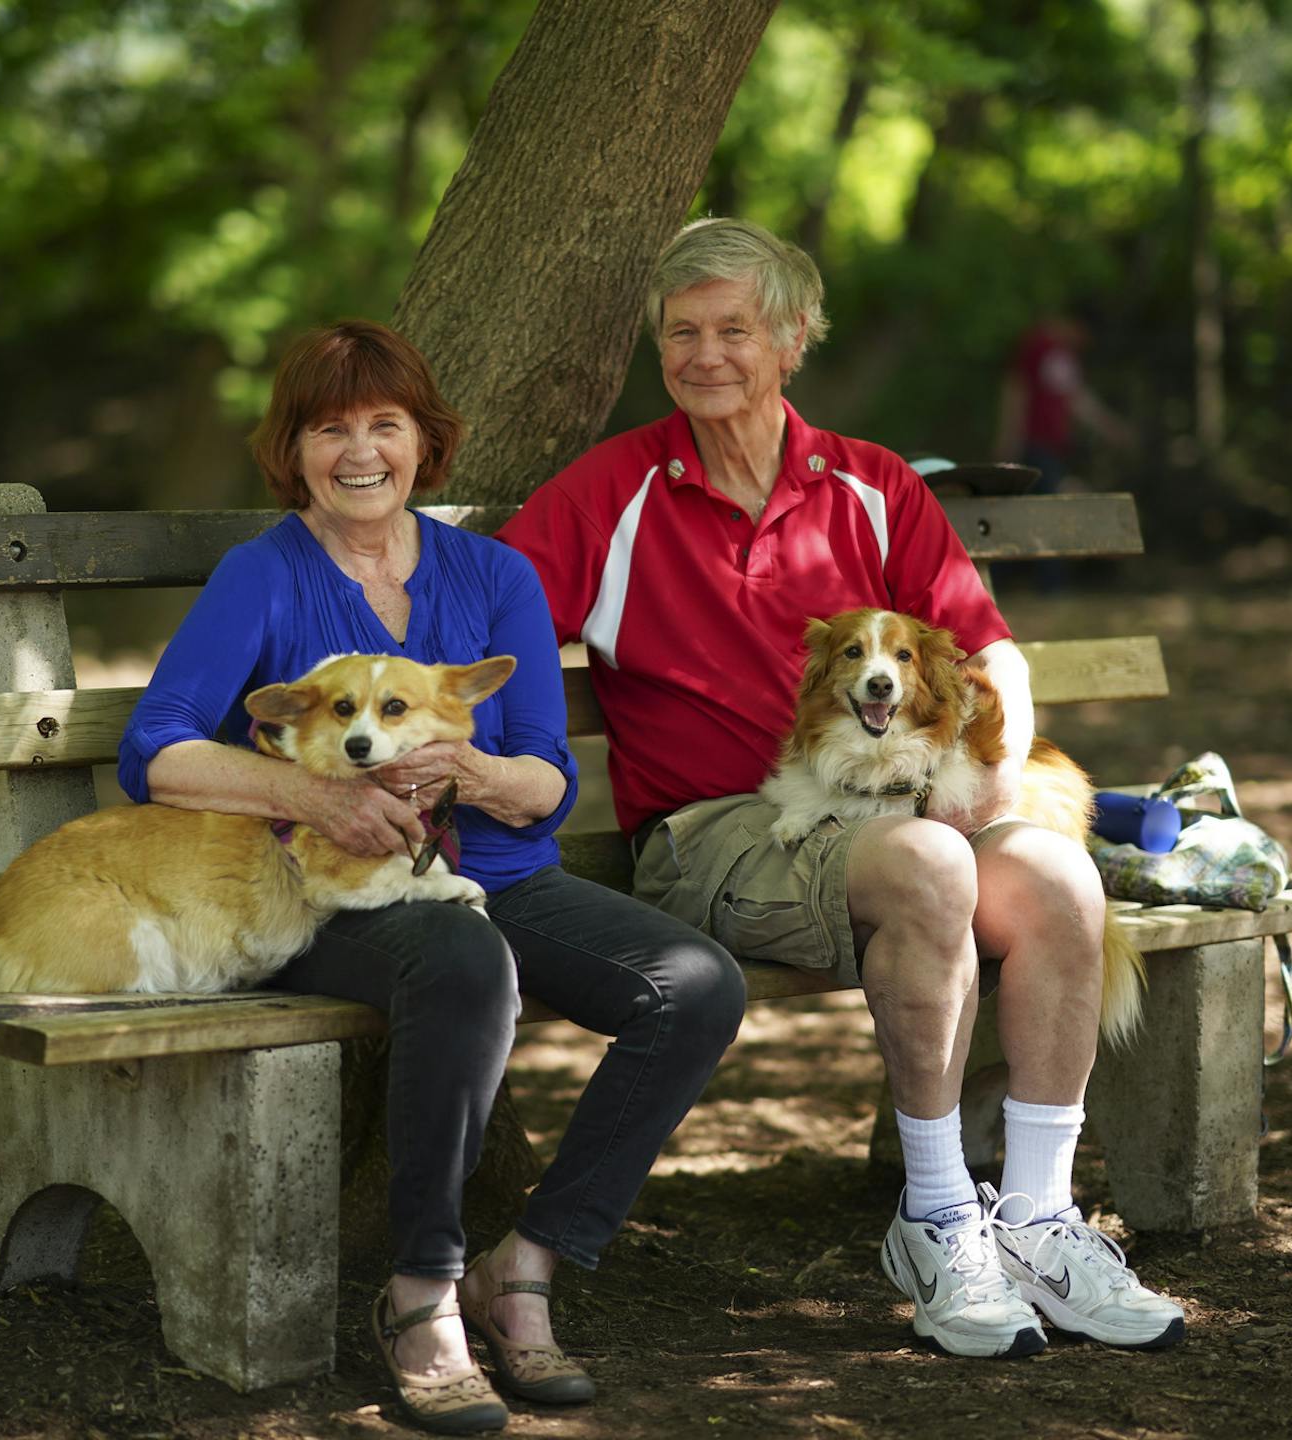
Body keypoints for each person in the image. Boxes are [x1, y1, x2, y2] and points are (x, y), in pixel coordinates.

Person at [499, 219, 1185, 1359]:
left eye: (735, 329)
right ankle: (934, 1217)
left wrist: (997, 772)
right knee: (930, 868)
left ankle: (1040, 1222)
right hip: (720, 833)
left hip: (902, 816)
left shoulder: (870, 486)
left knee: (1060, 876)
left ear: (794, 338)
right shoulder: (614, 494)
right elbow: (492, 625)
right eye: (681, 333)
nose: (705, 354)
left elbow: (988, 650)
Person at [118, 320, 746, 1432]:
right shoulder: (262, 576)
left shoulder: (494, 575)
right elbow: (155, 748)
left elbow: (550, 780)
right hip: (323, 891)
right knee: (463, 960)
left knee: (694, 982)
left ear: (424, 442)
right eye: (329, 430)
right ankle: (421, 1293)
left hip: (497, 871)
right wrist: (319, 797)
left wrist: (478, 772)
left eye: (384, 425)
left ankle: (531, 1264)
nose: (359, 453)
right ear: (294, 450)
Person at [994, 310, 1135, 590]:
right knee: (1046, 514)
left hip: (1052, 449)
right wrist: (1008, 440)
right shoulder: (1038, 346)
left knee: (1030, 513)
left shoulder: (1062, 355)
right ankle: (1050, 585)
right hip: (1034, 447)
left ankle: (1021, 582)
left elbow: (1076, 399)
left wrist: (1111, 428)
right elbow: (1016, 392)